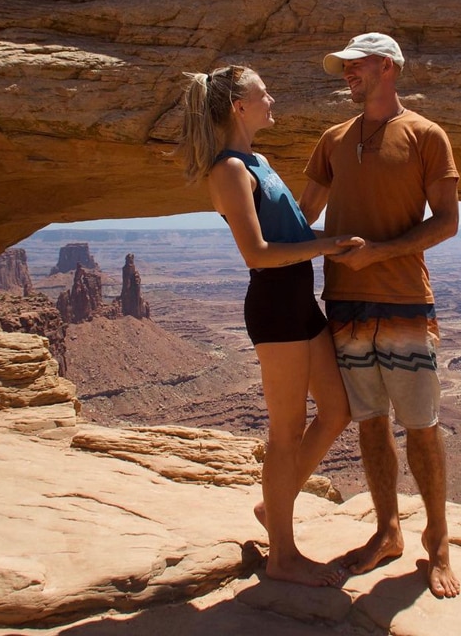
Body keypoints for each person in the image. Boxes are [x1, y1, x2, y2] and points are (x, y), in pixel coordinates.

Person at [175, 64, 361, 587]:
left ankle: (272, 506)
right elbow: (256, 253)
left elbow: (291, 227)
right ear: (239, 106)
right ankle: (283, 555)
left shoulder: (259, 160)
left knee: (336, 411)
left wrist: (330, 226)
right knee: (285, 435)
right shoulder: (228, 170)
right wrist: (326, 245)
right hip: (276, 308)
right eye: (264, 93)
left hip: (300, 301)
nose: (272, 98)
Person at [300, 33, 461, 599]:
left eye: (356, 64)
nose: (346, 72)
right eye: (343, 65)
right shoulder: (333, 138)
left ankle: (438, 543)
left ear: (387, 67)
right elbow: (305, 213)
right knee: (370, 421)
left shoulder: (425, 135)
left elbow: (446, 222)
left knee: (421, 424)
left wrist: (378, 252)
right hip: (343, 301)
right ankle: (387, 531)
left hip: (402, 299)